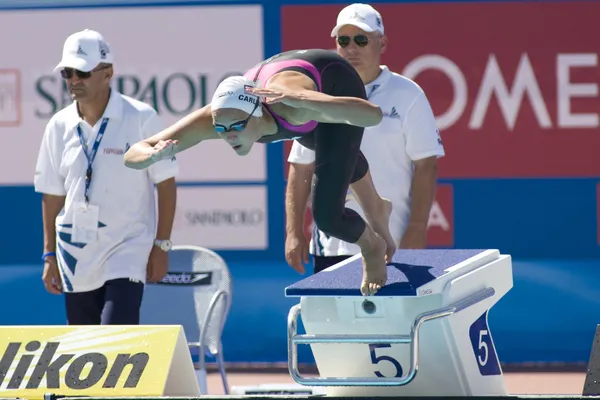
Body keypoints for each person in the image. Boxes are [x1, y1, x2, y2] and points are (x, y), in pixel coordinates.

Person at [123, 48, 395, 296]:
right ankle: (377, 207)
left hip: (333, 83)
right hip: (290, 97)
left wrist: (304, 99)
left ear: (256, 114)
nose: (228, 136)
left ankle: (372, 246)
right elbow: (132, 154)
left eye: (236, 127)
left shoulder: (288, 104)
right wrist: (152, 156)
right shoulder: (216, 117)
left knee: (326, 213)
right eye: (220, 130)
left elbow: (372, 116)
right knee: (328, 148)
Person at [285, 3, 445, 274]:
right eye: (343, 40)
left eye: (361, 39)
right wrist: (294, 231)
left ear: (381, 43)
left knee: (394, 318)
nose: (351, 48)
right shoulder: (319, 96)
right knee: (331, 318)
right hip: (331, 246)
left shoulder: (408, 94)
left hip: (390, 243)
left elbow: (426, 165)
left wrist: (417, 227)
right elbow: (301, 168)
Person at [34, 29, 178, 325]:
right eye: (68, 72)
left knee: (116, 338)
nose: (74, 80)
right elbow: (51, 195)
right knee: (85, 351)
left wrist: (161, 245)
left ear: (107, 72)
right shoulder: (58, 125)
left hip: (127, 249)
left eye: (82, 72)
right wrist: (49, 255)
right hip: (74, 252)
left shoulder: (141, 117)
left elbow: (165, 183)